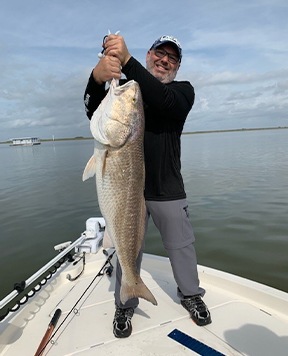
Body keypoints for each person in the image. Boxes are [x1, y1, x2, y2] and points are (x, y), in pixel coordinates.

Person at [84, 34, 212, 338]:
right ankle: (125, 303)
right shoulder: (133, 88)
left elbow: (163, 101)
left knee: (181, 247)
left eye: (172, 57)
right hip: (129, 190)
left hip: (167, 189)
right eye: (159, 53)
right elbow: (94, 111)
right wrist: (96, 78)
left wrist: (127, 61)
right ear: (149, 54)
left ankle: (191, 293)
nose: (164, 60)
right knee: (127, 248)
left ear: (178, 66)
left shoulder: (182, 92)